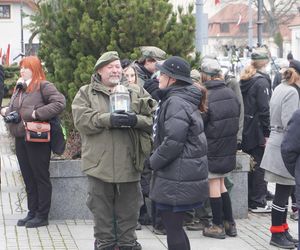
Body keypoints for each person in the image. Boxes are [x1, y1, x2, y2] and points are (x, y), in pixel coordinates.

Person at [72, 51, 155, 250]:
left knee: (130, 208)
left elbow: (152, 120)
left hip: (130, 162)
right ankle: (105, 243)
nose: (116, 70)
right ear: (100, 70)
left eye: (118, 66)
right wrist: (106, 119)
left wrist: (135, 120)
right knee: (100, 208)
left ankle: (127, 243)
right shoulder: (86, 93)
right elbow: (81, 120)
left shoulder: (136, 91)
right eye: (111, 67)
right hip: (98, 164)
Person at [148, 56, 209, 250]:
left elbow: (173, 143)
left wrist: (152, 162)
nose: (158, 77)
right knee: (176, 229)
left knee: (173, 230)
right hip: (180, 174)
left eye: (162, 74)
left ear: (172, 79)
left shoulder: (175, 102)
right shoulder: (180, 98)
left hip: (177, 175)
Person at [0, 56, 66, 228]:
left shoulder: (43, 85)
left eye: (26, 67)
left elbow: (60, 103)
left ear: (35, 68)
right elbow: (19, 109)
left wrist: (37, 114)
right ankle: (32, 212)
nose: (22, 70)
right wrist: (7, 110)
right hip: (21, 137)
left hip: (37, 138)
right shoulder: (20, 87)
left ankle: (42, 215)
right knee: (28, 178)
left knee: (40, 177)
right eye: (21, 67)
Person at [260, 60, 300, 248]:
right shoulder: (292, 92)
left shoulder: (279, 87)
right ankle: (277, 234)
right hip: (284, 145)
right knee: (283, 193)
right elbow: (290, 123)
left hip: (276, 142)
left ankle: (283, 230)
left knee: (283, 192)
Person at [199, 58, 240, 239]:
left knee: (213, 184)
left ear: (205, 76)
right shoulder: (230, 93)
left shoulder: (207, 95)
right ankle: (229, 223)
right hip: (227, 146)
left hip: (213, 146)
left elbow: (201, 122)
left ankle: (217, 225)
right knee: (222, 183)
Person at [240, 48, 272, 213]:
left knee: (251, 164)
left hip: (246, 128)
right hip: (258, 130)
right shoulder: (261, 82)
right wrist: (267, 133)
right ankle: (258, 201)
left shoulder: (246, 79)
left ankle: (251, 197)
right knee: (260, 165)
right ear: (265, 62)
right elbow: (265, 110)